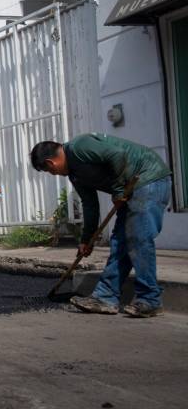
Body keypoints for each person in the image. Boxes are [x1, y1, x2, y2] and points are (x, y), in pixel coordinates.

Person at [30, 133, 172, 318]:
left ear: (51, 163)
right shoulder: (75, 175)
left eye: (50, 171)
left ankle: (151, 300)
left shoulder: (80, 146)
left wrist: (118, 191)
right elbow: (90, 206)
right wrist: (86, 239)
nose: (53, 174)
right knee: (119, 242)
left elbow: (117, 155)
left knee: (138, 238)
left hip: (147, 178)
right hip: (129, 189)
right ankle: (106, 298)